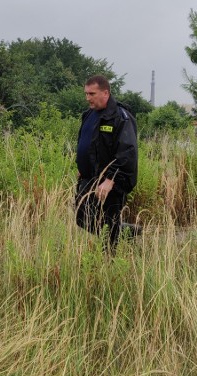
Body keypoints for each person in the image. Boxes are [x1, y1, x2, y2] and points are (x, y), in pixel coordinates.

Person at [75, 75, 140, 251]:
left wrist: (110, 179)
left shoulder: (121, 117)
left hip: (111, 181)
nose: (87, 98)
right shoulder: (89, 115)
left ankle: (109, 262)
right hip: (90, 177)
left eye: (91, 94)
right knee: (81, 216)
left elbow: (127, 152)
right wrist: (82, 167)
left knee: (109, 221)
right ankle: (126, 231)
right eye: (86, 93)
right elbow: (88, 143)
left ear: (105, 93)